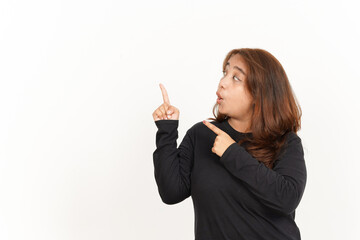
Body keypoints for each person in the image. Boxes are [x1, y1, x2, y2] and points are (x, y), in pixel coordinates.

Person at [152, 48, 307, 240]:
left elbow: (287, 199)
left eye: (236, 78)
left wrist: (231, 153)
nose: (222, 82)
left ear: (260, 93)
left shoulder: (286, 142)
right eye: (225, 73)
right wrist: (166, 130)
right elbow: (171, 192)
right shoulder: (201, 135)